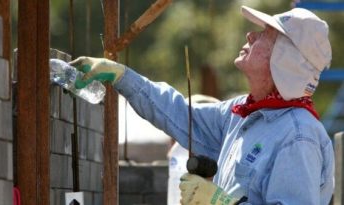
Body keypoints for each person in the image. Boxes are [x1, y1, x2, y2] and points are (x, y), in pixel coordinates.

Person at [70, 5, 334, 205]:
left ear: (284, 59)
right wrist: (123, 77)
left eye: (266, 35)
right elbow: (176, 112)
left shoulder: (299, 136)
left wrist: (223, 202)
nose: (250, 35)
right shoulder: (243, 114)